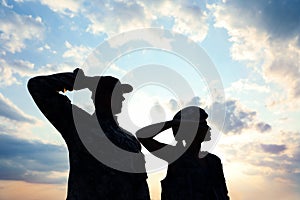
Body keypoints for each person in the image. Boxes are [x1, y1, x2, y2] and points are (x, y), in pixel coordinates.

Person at [27, 68, 150, 200]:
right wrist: (82, 81)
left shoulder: (130, 140)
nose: (122, 97)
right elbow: (37, 85)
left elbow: (139, 183)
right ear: (97, 96)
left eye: (121, 93)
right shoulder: (80, 125)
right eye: (115, 92)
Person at [136, 106, 229, 200]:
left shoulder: (213, 161)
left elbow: (223, 194)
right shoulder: (174, 155)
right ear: (191, 129)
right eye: (203, 124)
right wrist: (174, 123)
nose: (208, 128)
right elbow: (142, 136)